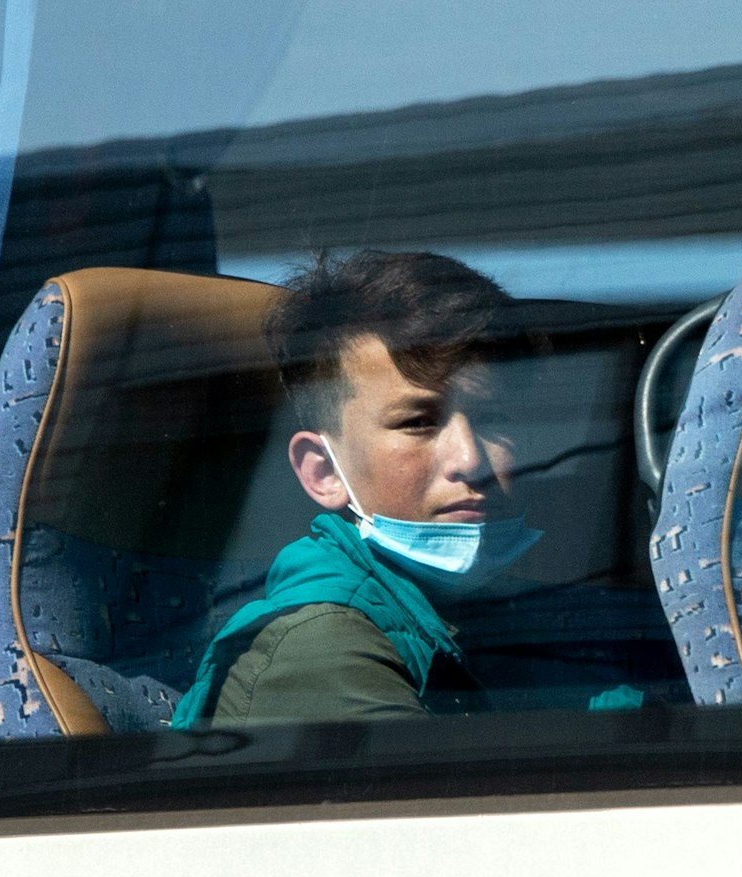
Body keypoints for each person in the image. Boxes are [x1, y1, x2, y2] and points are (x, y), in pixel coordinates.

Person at [168, 250, 548, 729]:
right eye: (418, 423)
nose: (471, 461)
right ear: (323, 472)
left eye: (494, 421)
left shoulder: (504, 612)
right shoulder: (318, 649)